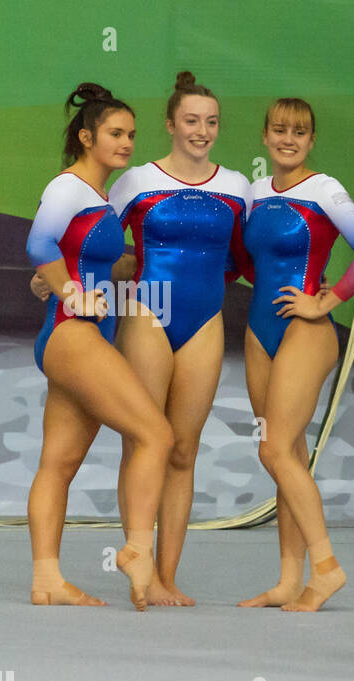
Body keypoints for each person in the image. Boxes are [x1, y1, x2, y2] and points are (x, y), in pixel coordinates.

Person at [24, 83, 174, 611]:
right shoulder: (67, 187)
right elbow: (38, 245)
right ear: (87, 137)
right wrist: (68, 290)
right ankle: (136, 549)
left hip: (74, 333)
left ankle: (47, 580)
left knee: (59, 464)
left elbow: (73, 257)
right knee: (156, 433)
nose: (127, 142)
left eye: (132, 134)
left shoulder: (97, 196)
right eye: (115, 133)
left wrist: (117, 269)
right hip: (72, 334)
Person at [105, 71, 252, 606]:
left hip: (205, 320)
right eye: (191, 120)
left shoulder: (237, 187)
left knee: (184, 451)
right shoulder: (137, 180)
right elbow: (97, 242)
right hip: (150, 311)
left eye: (211, 122)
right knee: (145, 440)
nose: (202, 130)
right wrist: (63, 277)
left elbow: (245, 261)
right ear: (170, 124)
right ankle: (137, 558)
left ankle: (167, 577)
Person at [238, 98, 354, 611]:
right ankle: (287, 579)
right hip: (260, 333)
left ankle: (325, 568)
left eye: (299, 131)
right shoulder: (253, 193)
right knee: (288, 455)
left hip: (306, 329)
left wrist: (326, 299)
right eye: (279, 129)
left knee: (274, 449)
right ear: (264, 135)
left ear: (311, 140)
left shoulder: (326, 190)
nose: (288, 139)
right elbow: (244, 264)